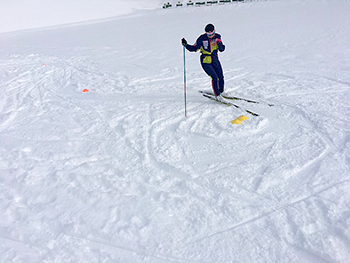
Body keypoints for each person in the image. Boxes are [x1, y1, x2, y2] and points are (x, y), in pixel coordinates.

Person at [182, 24, 226, 99]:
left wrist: (219, 43)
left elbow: (221, 49)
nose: (210, 36)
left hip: (215, 59)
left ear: (214, 31)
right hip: (205, 61)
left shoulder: (217, 37)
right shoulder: (201, 39)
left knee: (220, 76)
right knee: (214, 77)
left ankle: (221, 92)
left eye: (212, 34)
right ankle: (218, 95)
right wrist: (186, 45)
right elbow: (194, 48)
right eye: (208, 34)